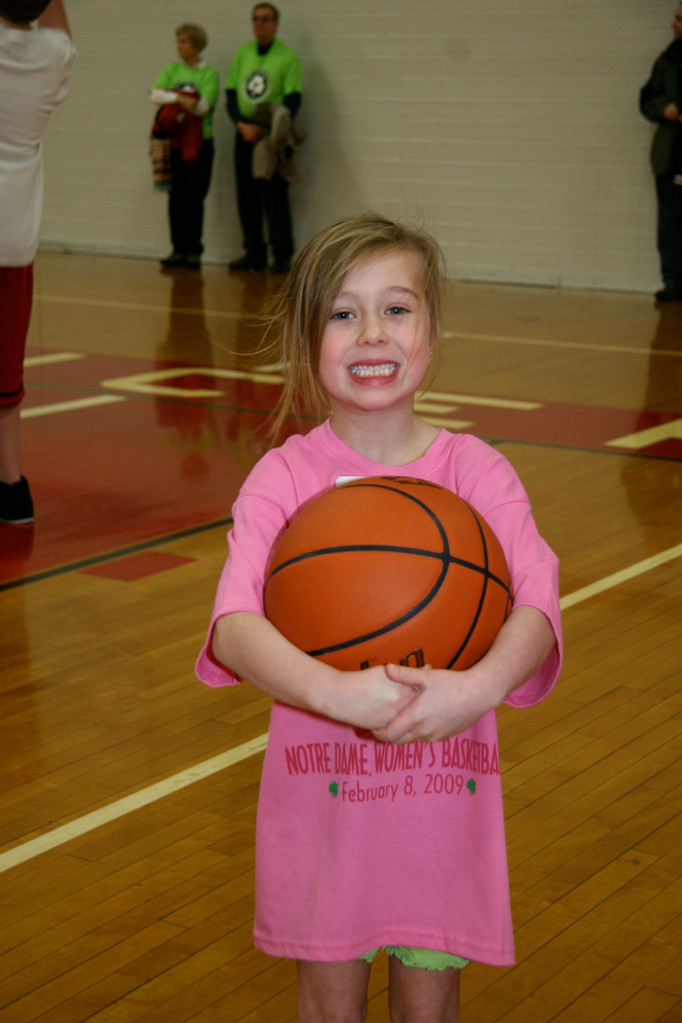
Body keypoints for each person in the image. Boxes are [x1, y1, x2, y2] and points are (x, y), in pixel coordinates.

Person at [196, 213, 562, 1023]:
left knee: (427, 1010)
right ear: (307, 341)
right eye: (342, 312)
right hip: (320, 808)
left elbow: (537, 598)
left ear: (433, 334)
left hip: (442, 805)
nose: (372, 333)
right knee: (329, 1008)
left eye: (398, 309)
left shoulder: (475, 471)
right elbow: (232, 625)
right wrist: (334, 691)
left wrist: (479, 688)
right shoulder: (283, 477)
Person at [0, 0, 75, 525]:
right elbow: (56, 19)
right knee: (6, 374)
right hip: (14, 239)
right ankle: (10, 487)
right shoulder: (54, 55)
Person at [226, 3, 302, 274]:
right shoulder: (244, 53)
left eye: (266, 19)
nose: (260, 24)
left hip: (271, 136)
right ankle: (254, 251)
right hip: (245, 132)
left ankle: (282, 254)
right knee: (246, 195)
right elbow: (232, 93)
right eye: (256, 19)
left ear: (276, 24)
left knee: (275, 194)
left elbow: (293, 98)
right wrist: (240, 124)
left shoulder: (287, 56)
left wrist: (268, 130)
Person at [150, 23, 219, 270]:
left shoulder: (208, 74)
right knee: (175, 196)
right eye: (178, 41)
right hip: (173, 143)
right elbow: (155, 95)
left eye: (184, 42)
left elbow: (204, 106)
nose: (180, 46)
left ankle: (193, 250)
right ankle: (177, 249)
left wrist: (178, 100)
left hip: (200, 144)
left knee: (194, 197)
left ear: (197, 45)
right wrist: (181, 99)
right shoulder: (171, 69)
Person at [640, 6, 682, 302]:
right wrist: (663, 108)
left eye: (679, 18)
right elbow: (647, 99)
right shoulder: (667, 61)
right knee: (670, 225)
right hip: (671, 158)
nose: (673, 23)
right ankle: (674, 282)